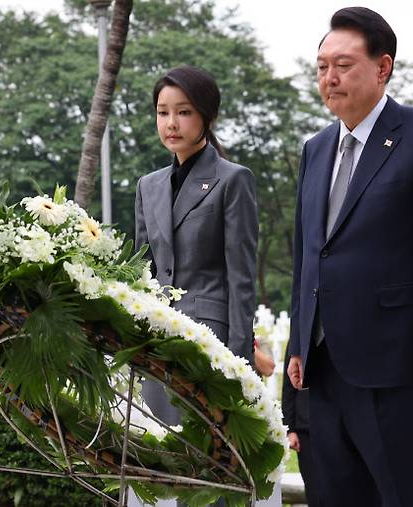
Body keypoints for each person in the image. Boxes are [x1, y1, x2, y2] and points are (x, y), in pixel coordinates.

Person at [286, 7, 413, 507]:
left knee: (411, 494)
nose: (330, 77)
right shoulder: (315, 148)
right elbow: (309, 252)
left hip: (401, 363)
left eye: (343, 65)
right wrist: (298, 343)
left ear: (383, 67)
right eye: (322, 66)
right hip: (323, 369)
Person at [133, 65, 259, 506]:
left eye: (183, 112)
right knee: (164, 472)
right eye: (162, 112)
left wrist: (240, 363)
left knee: (213, 472)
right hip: (157, 345)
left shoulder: (232, 179)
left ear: (205, 116)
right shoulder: (147, 186)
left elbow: (242, 277)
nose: (171, 123)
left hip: (212, 345)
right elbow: (142, 272)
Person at [281, 346, 317, 506]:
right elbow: (288, 387)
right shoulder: (299, 336)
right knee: (314, 489)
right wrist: (290, 429)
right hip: (305, 428)